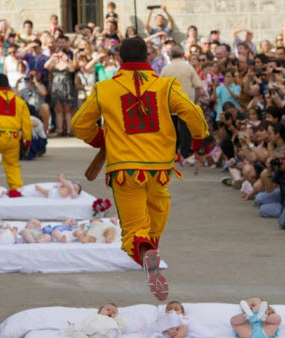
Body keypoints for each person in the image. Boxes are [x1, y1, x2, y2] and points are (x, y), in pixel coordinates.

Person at [72, 36, 209, 301]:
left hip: (125, 171)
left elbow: (79, 125)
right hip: (159, 171)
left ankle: (146, 252)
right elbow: (193, 112)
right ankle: (151, 248)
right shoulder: (165, 86)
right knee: (156, 217)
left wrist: (101, 139)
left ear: (120, 60)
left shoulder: (105, 88)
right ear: (148, 58)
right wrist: (198, 141)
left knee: (134, 228)